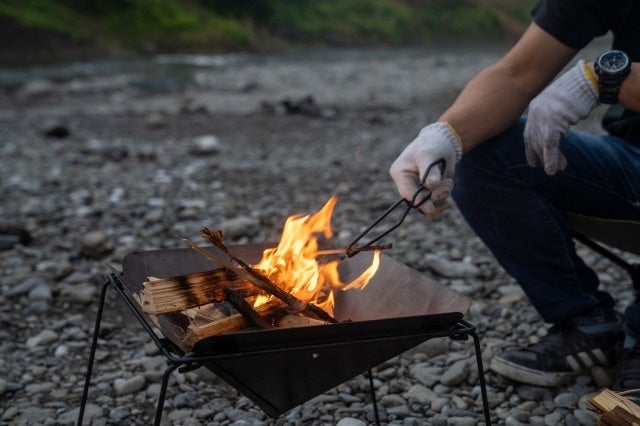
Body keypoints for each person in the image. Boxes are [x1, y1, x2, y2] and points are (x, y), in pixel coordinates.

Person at [390, 0, 640, 390]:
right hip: (632, 162)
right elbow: (518, 73)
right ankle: (588, 323)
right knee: (480, 149)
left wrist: (603, 80)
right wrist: (443, 137)